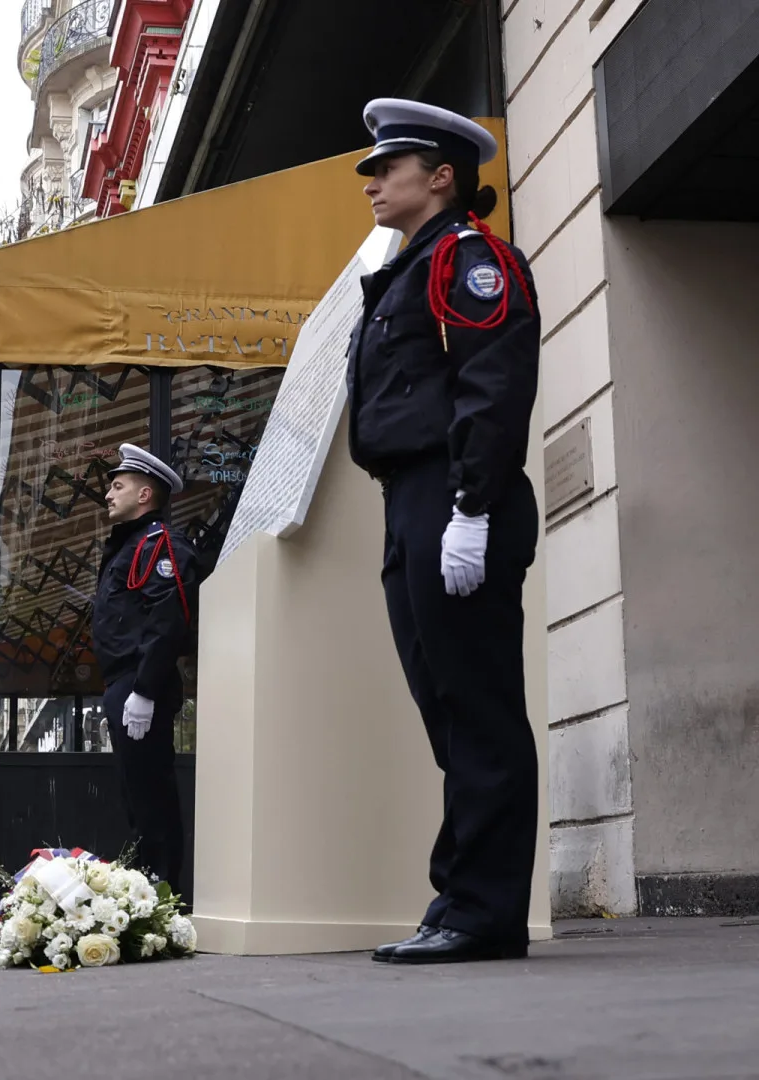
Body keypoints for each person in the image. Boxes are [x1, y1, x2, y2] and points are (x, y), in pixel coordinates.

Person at [346, 100, 540, 966]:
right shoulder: (407, 267)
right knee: (446, 709)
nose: (373, 181)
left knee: (479, 705)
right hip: (410, 501)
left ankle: (484, 912)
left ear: (442, 177)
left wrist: (470, 506)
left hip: (458, 498)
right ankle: (462, 894)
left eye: (389, 167)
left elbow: (490, 388)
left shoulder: (471, 261)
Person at [93, 444, 205, 893]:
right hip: (124, 684)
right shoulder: (130, 545)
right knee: (136, 796)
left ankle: (163, 894)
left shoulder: (161, 545)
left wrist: (144, 689)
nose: (108, 494)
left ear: (144, 495)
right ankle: (147, 888)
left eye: (117, 486)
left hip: (142, 685)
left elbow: (169, 618)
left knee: (152, 796)